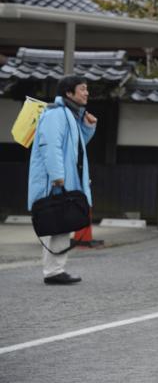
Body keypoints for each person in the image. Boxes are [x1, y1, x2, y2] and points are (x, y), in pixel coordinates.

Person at [27, 75, 97, 285]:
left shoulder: (69, 114)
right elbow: (50, 146)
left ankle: (55, 269)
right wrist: (58, 176)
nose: (86, 93)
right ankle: (53, 271)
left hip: (64, 179)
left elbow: (76, 147)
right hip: (57, 180)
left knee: (60, 223)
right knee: (57, 222)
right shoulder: (56, 114)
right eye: (82, 89)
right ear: (69, 93)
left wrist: (87, 127)